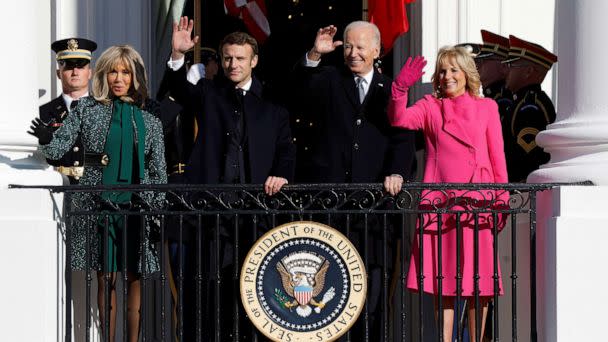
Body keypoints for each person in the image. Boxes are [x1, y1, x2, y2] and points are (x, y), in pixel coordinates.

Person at [163, 16, 296, 339]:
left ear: (254, 60)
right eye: (227, 58)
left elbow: (285, 152)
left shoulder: (273, 108)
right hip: (211, 214)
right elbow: (178, 89)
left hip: (256, 215)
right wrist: (178, 56)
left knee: (253, 290)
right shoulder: (209, 94)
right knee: (207, 289)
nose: (233, 64)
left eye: (239, 58)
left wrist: (281, 176)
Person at [29, 45, 166, 342]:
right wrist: (45, 139)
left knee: (135, 279)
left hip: (137, 209)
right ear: (103, 74)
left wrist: (153, 207)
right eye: (113, 71)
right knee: (106, 280)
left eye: (126, 72)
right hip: (98, 206)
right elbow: (56, 150)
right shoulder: (86, 110)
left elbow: (159, 174)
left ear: (135, 76)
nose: (118, 78)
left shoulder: (151, 121)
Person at [292, 21, 417, 339]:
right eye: (347, 46)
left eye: (361, 47)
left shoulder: (391, 90)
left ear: (377, 51)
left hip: (375, 208)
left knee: (374, 285)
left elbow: (402, 139)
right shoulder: (330, 80)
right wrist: (313, 57)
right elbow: (299, 94)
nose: (353, 53)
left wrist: (398, 173)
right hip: (332, 205)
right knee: (331, 284)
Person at [387, 47, 509, 342]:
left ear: (467, 74)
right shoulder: (430, 106)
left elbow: (497, 156)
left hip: (477, 203)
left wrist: (502, 198)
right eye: (442, 70)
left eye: (454, 69)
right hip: (440, 203)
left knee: (479, 283)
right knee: (445, 282)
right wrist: (400, 87)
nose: (447, 76)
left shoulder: (487, 108)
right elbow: (399, 118)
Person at [39, 38, 97, 184]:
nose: (75, 72)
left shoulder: (104, 109)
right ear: (59, 73)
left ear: (90, 72)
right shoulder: (44, 113)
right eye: (69, 66)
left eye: (81, 66)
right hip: (58, 189)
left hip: (95, 190)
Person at [502, 35, 557, 182]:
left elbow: (527, 160)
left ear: (528, 71)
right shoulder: (520, 102)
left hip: (524, 195)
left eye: (511, 65)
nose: (506, 71)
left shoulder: (529, 107)